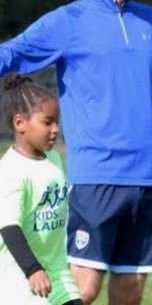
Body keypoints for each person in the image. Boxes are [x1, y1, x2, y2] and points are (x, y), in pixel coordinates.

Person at [0, 0, 152, 305]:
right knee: (81, 290)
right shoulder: (69, 21)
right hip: (96, 175)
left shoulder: (151, 22)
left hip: (148, 175)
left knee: (130, 291)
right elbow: (12, 55)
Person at [0, 73, 82, 305]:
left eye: (57, 122)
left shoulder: (53, 159)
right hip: (22, 283)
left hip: (58, 276)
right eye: (48, 122)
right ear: (20, 123)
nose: (55, 129)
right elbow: (9, 227)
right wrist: (33, 270)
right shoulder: (11, 171)